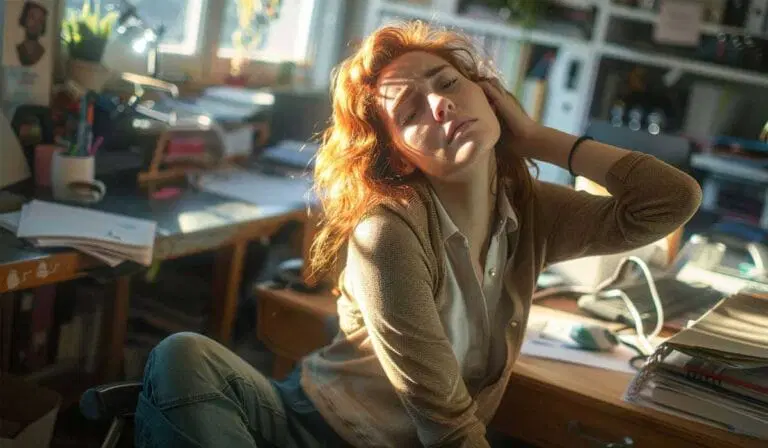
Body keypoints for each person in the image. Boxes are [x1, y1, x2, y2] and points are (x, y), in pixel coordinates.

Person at [134, 22, 702, 448]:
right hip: (313, 428)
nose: (440, 104)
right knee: (183, 356)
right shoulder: (388, 233)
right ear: (400, 158)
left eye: (448, 82)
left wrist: (536, 137)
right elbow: (448, 424)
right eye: (411, 111)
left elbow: (671, 201)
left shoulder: (529, 209)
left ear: (489, 95)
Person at [15, 1, 48, 67]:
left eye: (40, 20)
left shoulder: (42, 53)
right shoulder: (17, 50)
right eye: (32, 18)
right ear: (25, 19)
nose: (36, 24)